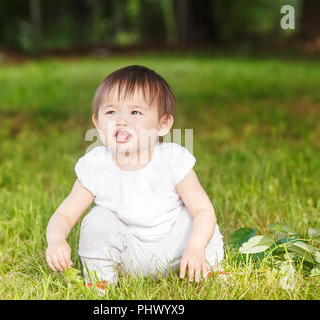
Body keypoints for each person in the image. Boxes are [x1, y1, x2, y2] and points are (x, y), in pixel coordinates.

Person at [46, 65, 224, 287]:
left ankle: (211, 270)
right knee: (96, 220)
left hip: (177, 249)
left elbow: (203, 210)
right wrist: (56, 240)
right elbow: (63, 215)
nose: (121, 121)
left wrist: (196, 246)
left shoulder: (172, 160)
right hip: (126, 255)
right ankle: (100, 284)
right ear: (97, 123)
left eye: (135, 112)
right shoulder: (96, 165)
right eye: (111, 112)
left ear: (162, 124)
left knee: (199, 220)